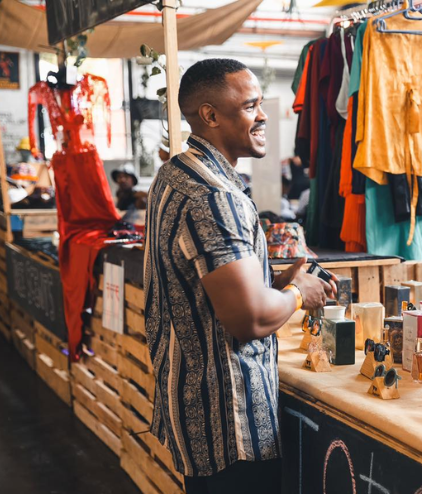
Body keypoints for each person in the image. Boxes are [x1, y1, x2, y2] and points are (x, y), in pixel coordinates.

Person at [144, 58, 336, 494]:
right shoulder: (215, 196)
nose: (264, 115)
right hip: (231, 423)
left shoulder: (176, 174)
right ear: (210, 115)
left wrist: (275, 281)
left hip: (197, 409)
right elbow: (246, 320)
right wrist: (296, 294)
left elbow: (203, 291)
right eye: (251, 106)